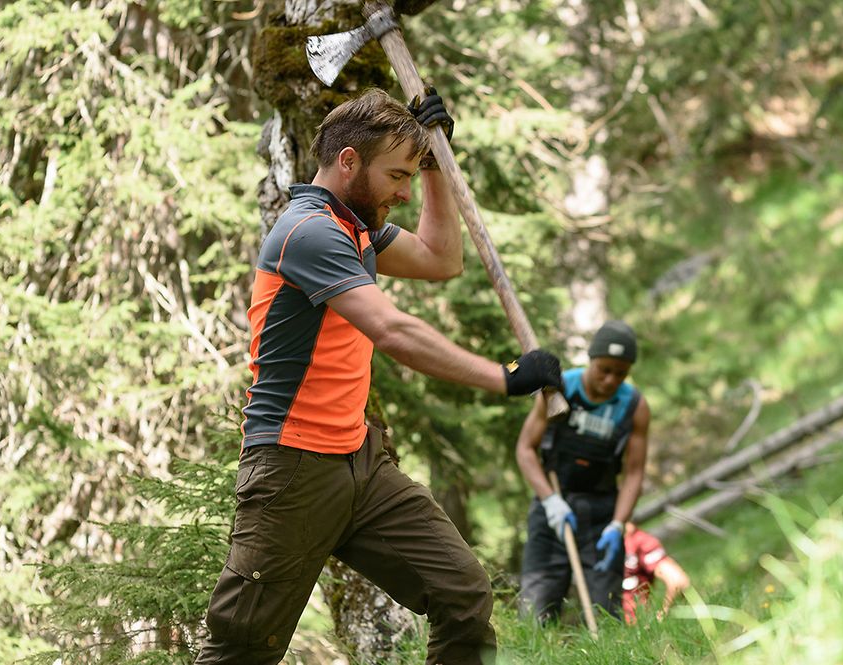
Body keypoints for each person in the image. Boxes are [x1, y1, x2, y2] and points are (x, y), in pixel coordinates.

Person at [195, 88, 563, 665]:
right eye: (397, 175)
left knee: (462, 594)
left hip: (359, 464)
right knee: (241, 650)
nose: (404, 191)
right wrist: (505, 377)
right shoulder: (309, 232)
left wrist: (436, 164)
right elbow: (393, 331)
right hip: (291, 469)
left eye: (411, 176)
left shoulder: (358, 229)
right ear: (348, 162)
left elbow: (442, 259)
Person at [516, 320, 650, 623]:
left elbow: (634, 472)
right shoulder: (559, 389)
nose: (610, 379)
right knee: (535, 612)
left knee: (607, 610)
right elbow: (525, 449)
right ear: (591, 359)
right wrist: (550, 501)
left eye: (621, 373)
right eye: (604, 369)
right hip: (553, 507)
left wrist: (618, 524)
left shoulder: (634, 406)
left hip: (601, 515)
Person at [622, 522, 691, 624]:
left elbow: (678, 581)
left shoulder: (638, 541)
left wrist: (664, 612)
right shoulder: (594, 542)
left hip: (636, 630)